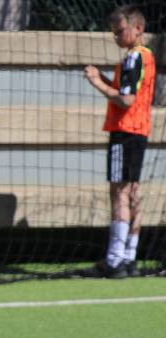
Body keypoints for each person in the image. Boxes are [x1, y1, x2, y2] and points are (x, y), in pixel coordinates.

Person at [85, 4, 156, 278]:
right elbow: (126, 92)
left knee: (119, 192)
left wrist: (96, 83)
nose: (115, 36)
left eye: (120, 30)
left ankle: (114, 260)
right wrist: (104, 79)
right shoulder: (143, 57)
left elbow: (125, 100)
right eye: (113, 32)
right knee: (132, 191)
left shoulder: (133, 58)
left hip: (125, 131)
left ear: (138, 28)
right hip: (139, 131)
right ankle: (129, 256)